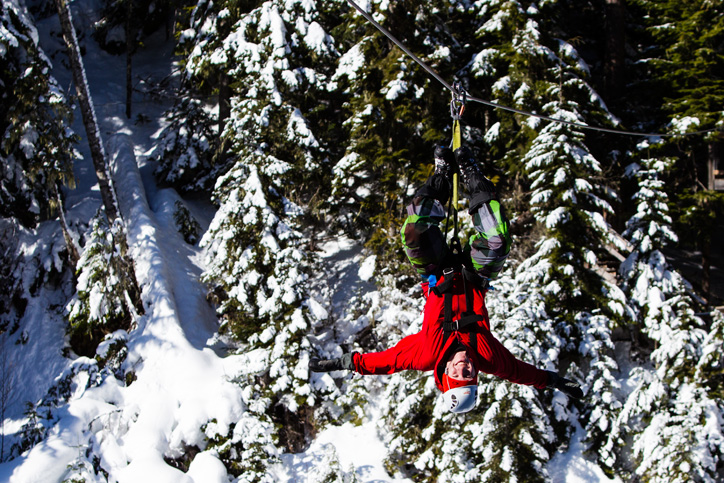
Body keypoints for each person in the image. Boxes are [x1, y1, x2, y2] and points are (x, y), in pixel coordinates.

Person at [310, 145, 583, 413]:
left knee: (413, 232)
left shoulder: (426, 354)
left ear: (446, 373)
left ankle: (440, 179)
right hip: (475, 275)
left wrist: (346, 363)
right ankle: (472, 176)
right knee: (497, 242)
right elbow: (519, 372)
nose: (466, 366)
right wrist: (554, 381)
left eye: (459, 373)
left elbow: (386, 362)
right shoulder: (487, 356)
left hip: (436, 272)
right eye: (471, 373)